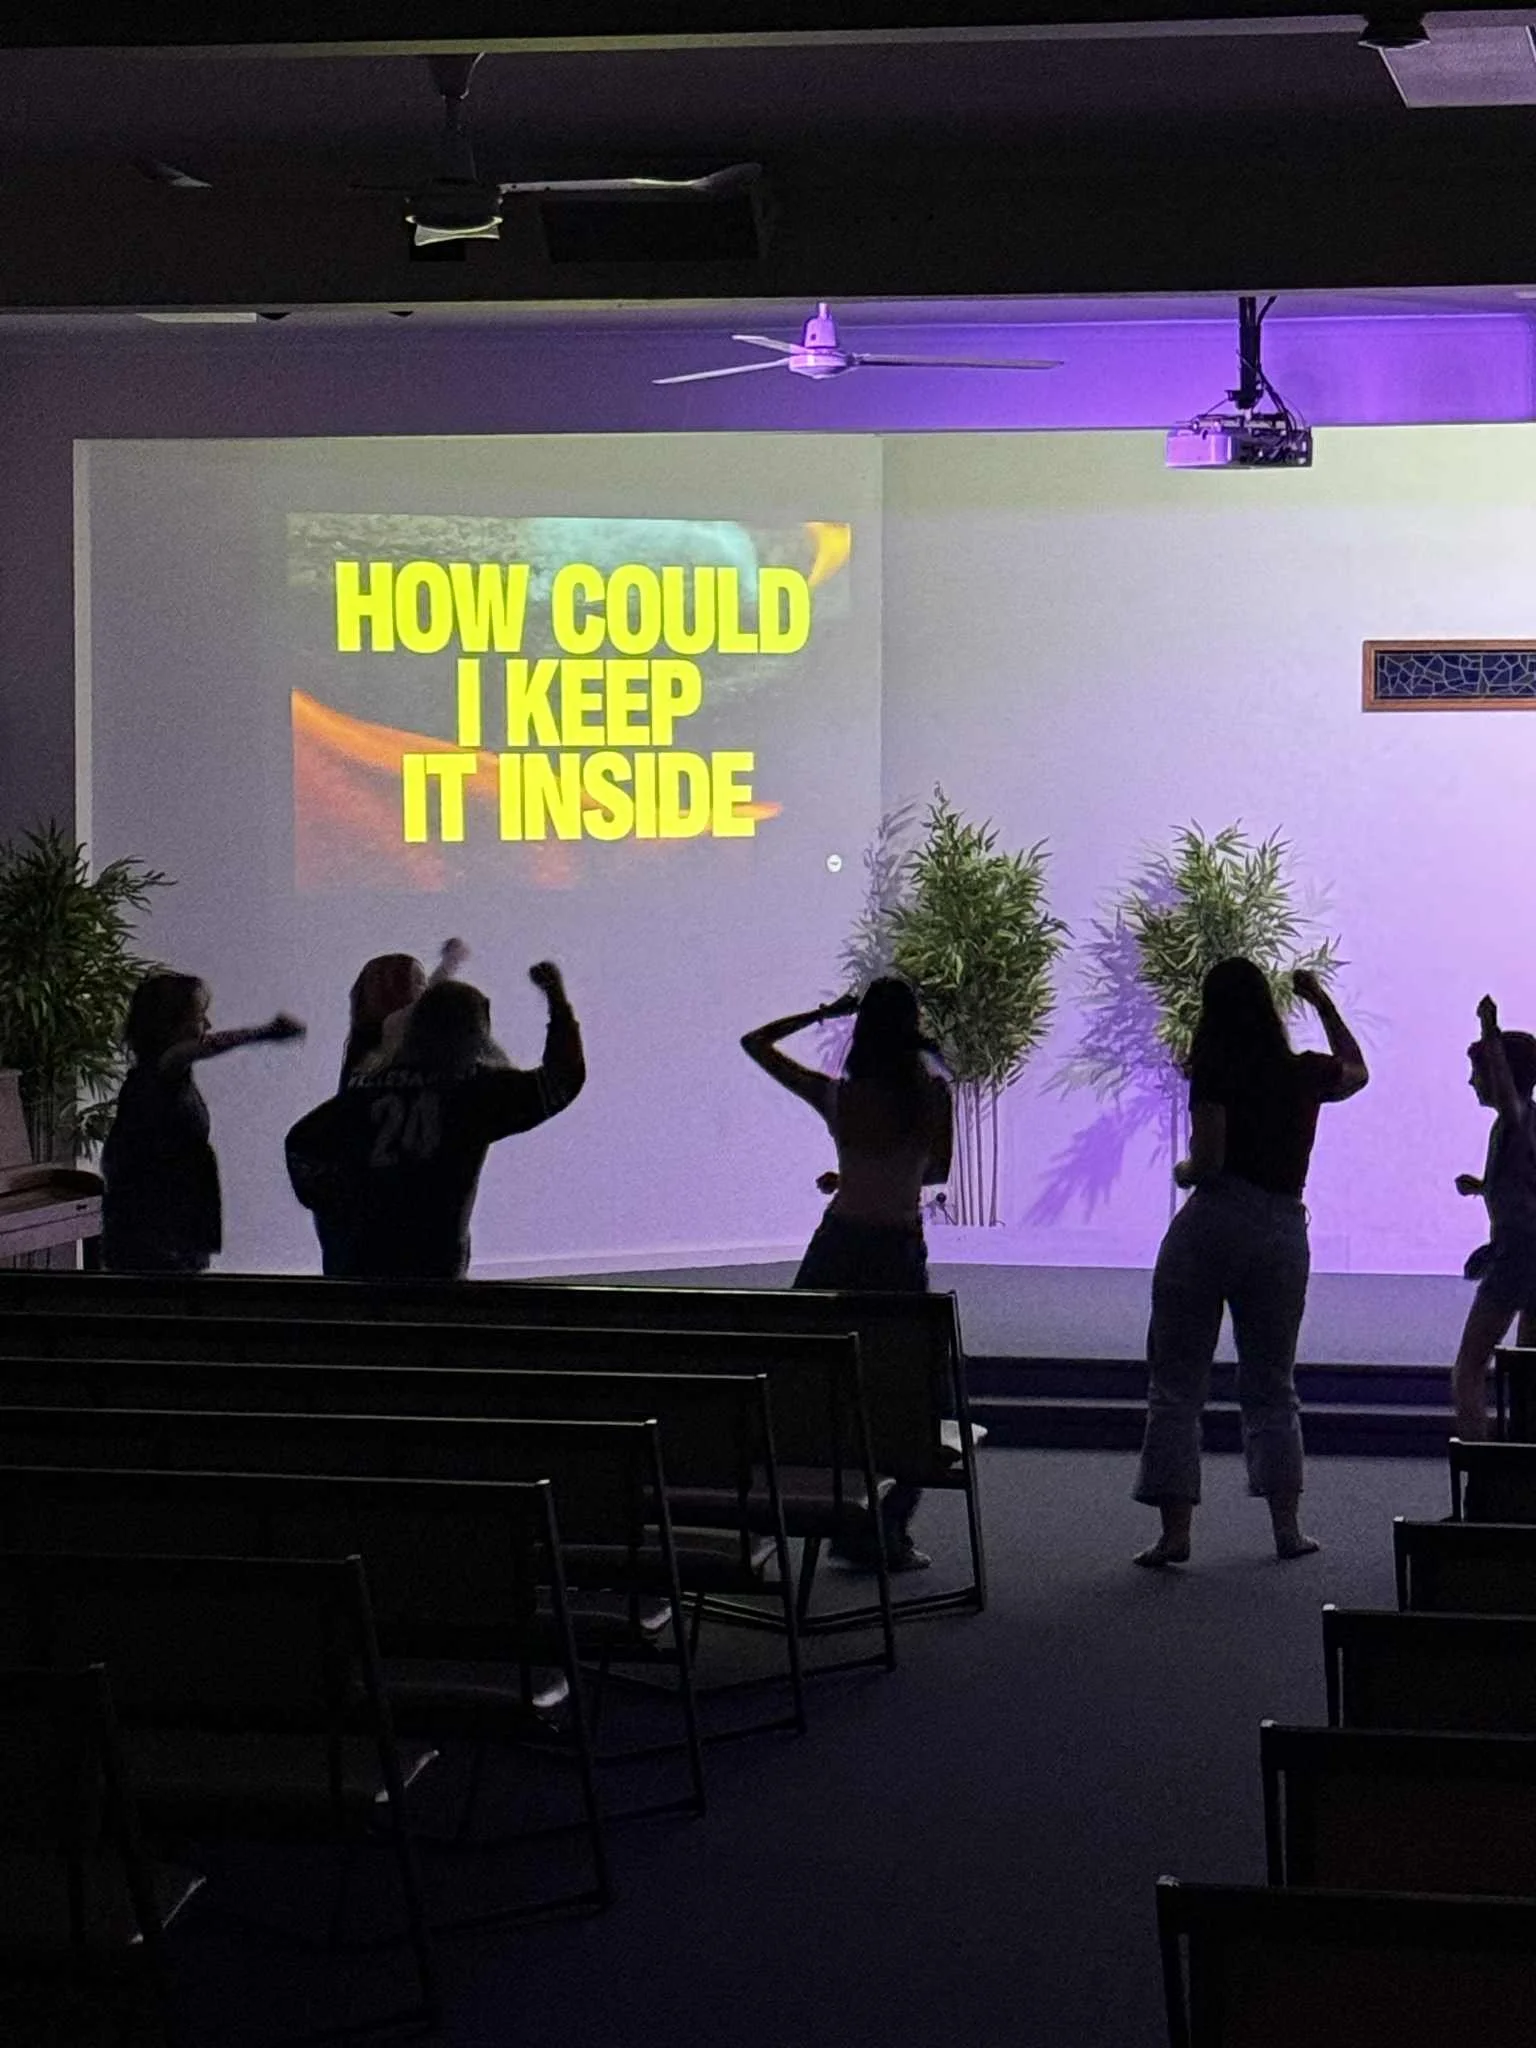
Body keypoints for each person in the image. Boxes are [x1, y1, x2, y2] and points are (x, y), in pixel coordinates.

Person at [1132, 960, 1368, 1569]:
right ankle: (1286, 1528)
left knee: (1177, 1384)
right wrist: (1320, 1000)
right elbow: (1358, 1071)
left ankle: (1175, 1532)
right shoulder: (1302, 1074)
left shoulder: (1214, 1070)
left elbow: (1207, 1161)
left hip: (1212, 1223)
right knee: (1271, 1382)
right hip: (1281, 1231)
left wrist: (1183, 1172)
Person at [741, 977, 954, 1570]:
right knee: (910, 1388)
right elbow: (934, 1172)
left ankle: (802, 1505)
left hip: (837, 1244)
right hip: (896, 1249)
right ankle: (882, 1530)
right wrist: (883, 1171)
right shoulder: (932, 1096)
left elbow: (754, 1042)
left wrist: (820, 1013)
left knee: (802, 1372)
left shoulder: (836, 1095)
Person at [287, 962, 584, 1280]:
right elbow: (561, 1082)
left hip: (357, 1268)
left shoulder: (367, 1090)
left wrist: (337, 1203)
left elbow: (301, 1142)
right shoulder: (473, 1092)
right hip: (435, 1271)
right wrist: (558, 1002)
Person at [101, 972, 305, 1274]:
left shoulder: (162, 1077)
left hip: (169, 1227)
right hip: (158, 1233)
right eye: (198, 1016)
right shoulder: (159, 1074)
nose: (207, 1026)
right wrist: (264, 1032)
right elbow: (199, 1047)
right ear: (169, 1023)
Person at [1450, 994, 1536, 1440]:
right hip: (1528, 1255)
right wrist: (1484, 1186)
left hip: (1515, 1258)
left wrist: (1489, 1027)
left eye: (1476, 1072)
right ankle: (1523, 1467)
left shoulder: (1516, 1118)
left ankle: (1483, 1474)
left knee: (1468, 1369)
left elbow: (1507, 1094)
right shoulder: (1524, 1125)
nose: (1472, 1082)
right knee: (1526, 1370)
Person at [338, 937, 468, 1090]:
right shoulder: (367, 1070)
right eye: (419, 982)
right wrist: (450, 961)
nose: (425, 991)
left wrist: (450, 961)